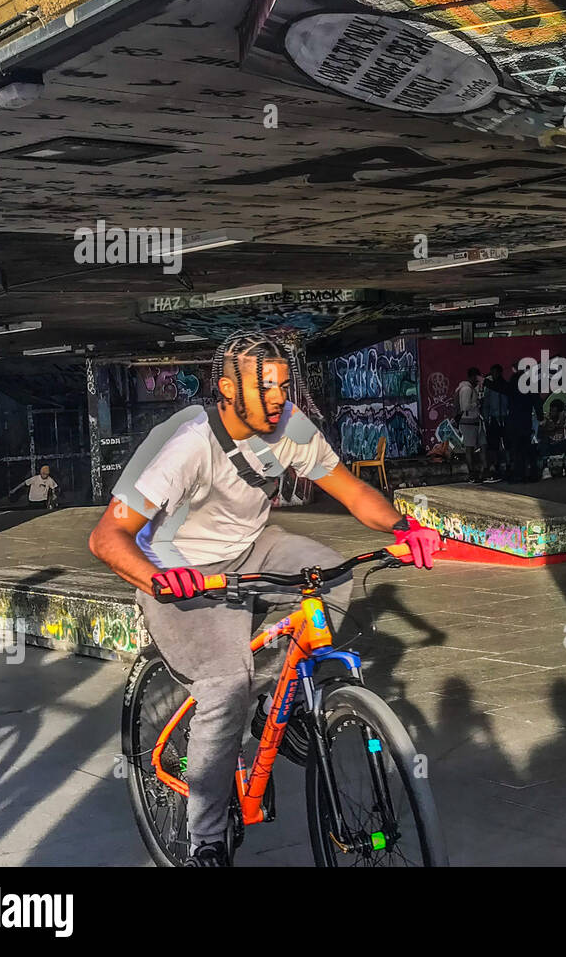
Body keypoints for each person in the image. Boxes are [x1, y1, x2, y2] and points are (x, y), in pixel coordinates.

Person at [87, 330, 442, 867]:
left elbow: (349, 489)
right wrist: (158, 579)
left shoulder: (290, 428)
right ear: (227, 388)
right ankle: (206, 837)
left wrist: (403, 526)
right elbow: (105, 537)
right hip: (178, 570)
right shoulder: (188, 444)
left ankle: (276, 701)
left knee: (330, 576)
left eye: (283, 385)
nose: (279, 397)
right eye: (266, 387)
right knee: (227, 684)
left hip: (252, 549)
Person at [538, 398, 566, 478]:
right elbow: (541, 433)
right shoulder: (546, 418)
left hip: (561, 445)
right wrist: (556, 425)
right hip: (550, 445)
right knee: (544, 441)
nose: (552, 413)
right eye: (551, 410)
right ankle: (546, 469)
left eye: (554, 411)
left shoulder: (564, 418)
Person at [479, 364, 507, 483]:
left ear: (500, 373)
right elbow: (486, 404)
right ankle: (495, 467)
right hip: (494, 418)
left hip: (505, 417)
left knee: (506, 444)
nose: (493, 375)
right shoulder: (490, 388)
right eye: (492, 372)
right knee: (493, 445)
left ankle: (506, 466)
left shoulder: (505, 385)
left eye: (495, 372)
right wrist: (486, 419)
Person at [454, 367, 483, 483]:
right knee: (469, 448)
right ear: (473, 376)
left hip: (469, 421)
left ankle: (472, 472)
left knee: (470, 448)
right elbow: (465, 406)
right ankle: (471, 472)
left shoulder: (464, 388)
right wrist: (477, 403)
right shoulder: (467, 389)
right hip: (468, 422)